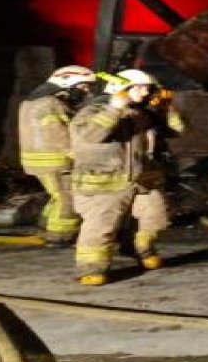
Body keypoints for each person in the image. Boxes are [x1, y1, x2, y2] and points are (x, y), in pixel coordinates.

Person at [69, 69, 185, 286]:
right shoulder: (91, 111)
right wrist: (114, 108)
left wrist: (166, 108)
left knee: (156, 217)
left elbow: (178, 131)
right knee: (101, 226)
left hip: (142, 180)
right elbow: (91, 135)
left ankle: (139, 249)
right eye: (139, 88)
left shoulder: (142, 113)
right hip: (103, 183)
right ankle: (91, 267)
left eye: (148, 89)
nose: (145, 93)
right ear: (120, 89)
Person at [17, 65, 97, 246]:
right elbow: (60, 135)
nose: (86, 92)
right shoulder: (51, 104)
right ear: (67, 83)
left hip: (42, 160)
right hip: (57, 161)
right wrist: (80, 155)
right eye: (83, 87)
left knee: (57, 196)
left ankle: (46, 227)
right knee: (68, 198)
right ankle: (60, 236)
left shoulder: (35, 102)